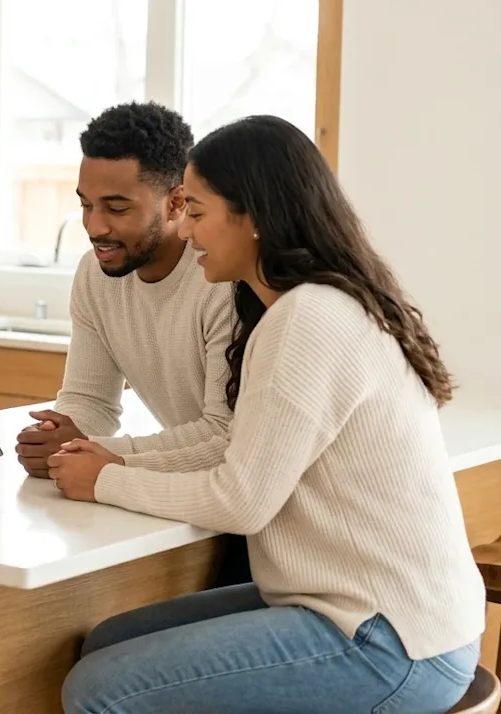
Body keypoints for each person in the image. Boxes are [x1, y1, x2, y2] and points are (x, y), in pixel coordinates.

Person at [49, 115, 485, 713]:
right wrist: (108, 458)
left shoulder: (307, 319)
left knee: (98, 690)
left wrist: (105, 480)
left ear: (251, 218)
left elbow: (241, 499)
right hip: (357, 611)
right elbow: (235, 449)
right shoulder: (299, 309)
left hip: (391, 641)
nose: (190, 233)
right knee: (107, 643)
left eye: (198, 213)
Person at [13, 101, 248, 586]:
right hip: (187, 492)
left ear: (178, 201)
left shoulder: (223, 279)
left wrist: (99, 456)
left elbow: (224, 435)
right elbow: (89, 401)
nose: (95, 226)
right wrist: (61, 436)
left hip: (232, 503)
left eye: (117, 207)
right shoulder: (95, 276)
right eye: (85, 204)